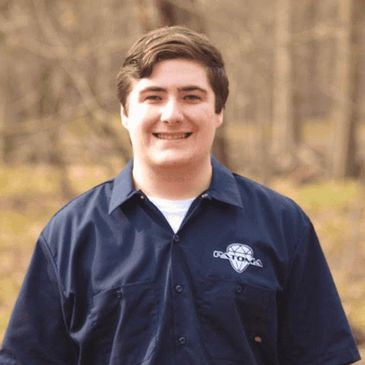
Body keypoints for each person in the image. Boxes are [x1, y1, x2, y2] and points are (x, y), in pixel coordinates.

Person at [0, 26, 361, 365]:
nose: (172, 114)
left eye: (191, 96)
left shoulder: (282, 224)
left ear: (218, 111)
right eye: (153, 97)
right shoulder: (70, 233)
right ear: (126, 113)